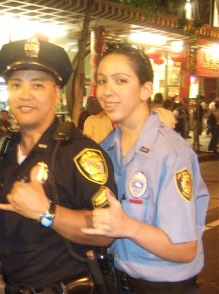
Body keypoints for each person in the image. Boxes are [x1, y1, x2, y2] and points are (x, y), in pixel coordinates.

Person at [0, 37, 118, 293]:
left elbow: (107, 231)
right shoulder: (4, 151)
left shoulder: (80, 153)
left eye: (37, 85)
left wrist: (46, 212)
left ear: (56, 94)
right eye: (16, 84)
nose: (25, 94)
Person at [81, 43, 209, 293]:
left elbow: (184, 250)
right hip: (116, 281)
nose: (107, 91)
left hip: (163, 287)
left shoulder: (170, 154)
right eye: (102, 81)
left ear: (145, 90)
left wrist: (127, 227)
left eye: (121, 80)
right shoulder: (105, 149)